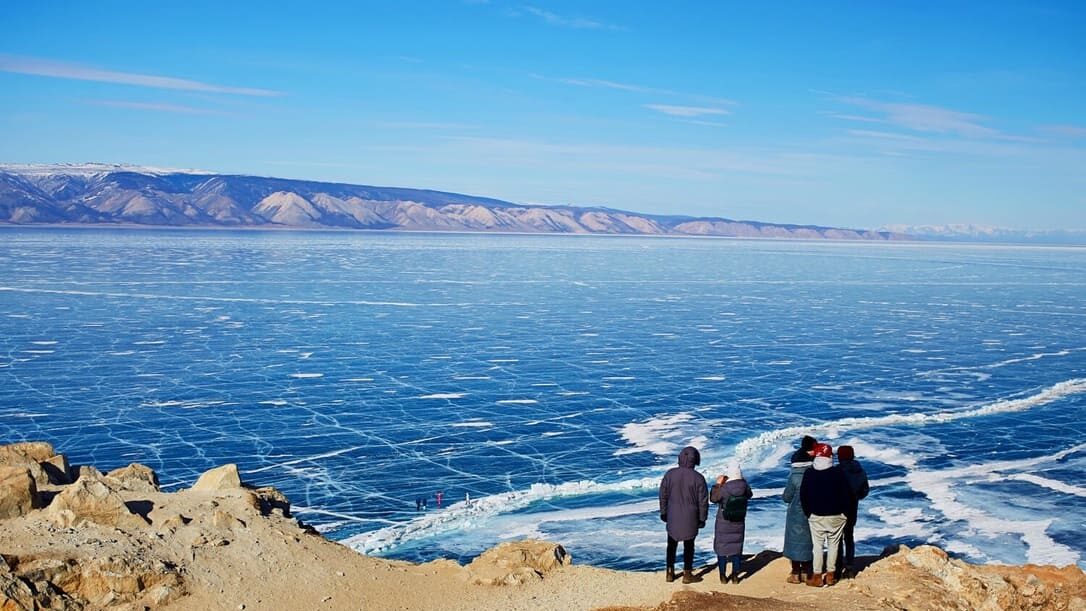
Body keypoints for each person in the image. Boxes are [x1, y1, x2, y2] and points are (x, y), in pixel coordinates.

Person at [800, 443, 851, 587]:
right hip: (836, 515)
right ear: (829, 457)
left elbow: (803, 496)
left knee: (817, 546)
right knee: (833, 545)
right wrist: (845, 513)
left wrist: (808, 513)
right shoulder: (838, 472)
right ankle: (830, 575)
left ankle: (817, 576)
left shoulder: (809, 473)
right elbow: (847, 495)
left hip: (816, 515)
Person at [659, 445, 709, 584]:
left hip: (673, 515)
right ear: (696, 460)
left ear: (680, 458)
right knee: (689, 546)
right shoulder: (699, 478)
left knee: (671, 545)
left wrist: (663, 512)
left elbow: (663, 495)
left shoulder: (670, 474)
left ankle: (670, 572)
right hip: (691, 517)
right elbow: (703, 501)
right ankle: (687, 574)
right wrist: (702, 518)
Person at [710, 463, 753, 584]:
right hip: (739, 522)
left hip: (723, 522)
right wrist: (744, 481)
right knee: (737, 548)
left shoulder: (724, 488)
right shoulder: (744, 487)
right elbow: (750, 494)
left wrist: (717, 484)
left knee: (721, 548)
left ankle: (723, 576)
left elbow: (713, 499)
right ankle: (735, 576)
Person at [781, 435, 816, 584]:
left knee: (794, 543)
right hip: (811, 513)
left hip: (795, 514)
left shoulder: (794, 476)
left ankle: (795, 573)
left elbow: (786, 497)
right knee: (809, 542)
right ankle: (808, 573)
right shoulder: (814, 475)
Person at [836, 445, 869, 578]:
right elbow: (865, 490)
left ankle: (838, 566)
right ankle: (849, 566)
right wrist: (855, 496)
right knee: (849, 536)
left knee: (837, 538)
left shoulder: (836, 470)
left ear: (840, 457)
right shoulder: (860, 470)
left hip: (838, 508)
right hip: (852, 507)